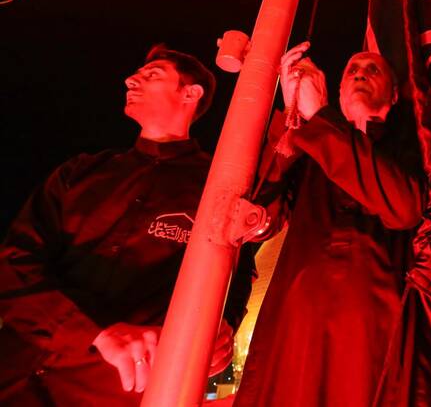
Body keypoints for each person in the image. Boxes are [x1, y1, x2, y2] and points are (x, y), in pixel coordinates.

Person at [0, 45, 253, 406]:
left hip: (108, 392)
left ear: (190, 93)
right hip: (13, 371)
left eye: (152, 75)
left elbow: (236, 274)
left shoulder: (217, 188)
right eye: (137, 74)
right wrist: (96, 333)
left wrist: (221, 326)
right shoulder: (80, 172)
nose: (130, 79)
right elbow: (13, 264)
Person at [234, 43, 426, 406]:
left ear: (394, 94)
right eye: (352, 69)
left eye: (373, 69)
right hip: (295, 332)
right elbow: (259, 216)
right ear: (338, 91)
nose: (360, 73)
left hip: (373, 334)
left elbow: (404, 206)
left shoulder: (411, 148)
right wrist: (292, 115)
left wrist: (320, 116)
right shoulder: (310, 150)